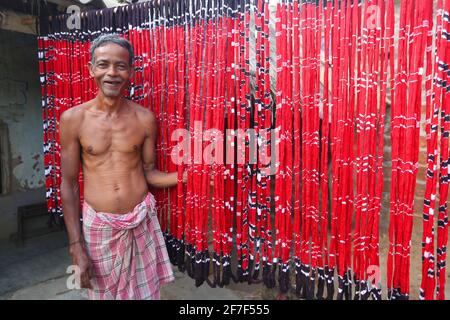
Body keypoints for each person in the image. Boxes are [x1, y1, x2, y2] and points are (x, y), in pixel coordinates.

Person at [60, 34, 183, 300]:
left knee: (146, 295)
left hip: (141, 222)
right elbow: (68, 184)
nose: (112, 73)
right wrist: (75, 245)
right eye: (103, 65)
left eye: (121, 66)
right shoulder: (73, 120)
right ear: (91, 69)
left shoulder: (145, 119)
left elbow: (150, 173)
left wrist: (187, 176)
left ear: (131, 71)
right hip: (99, 228)